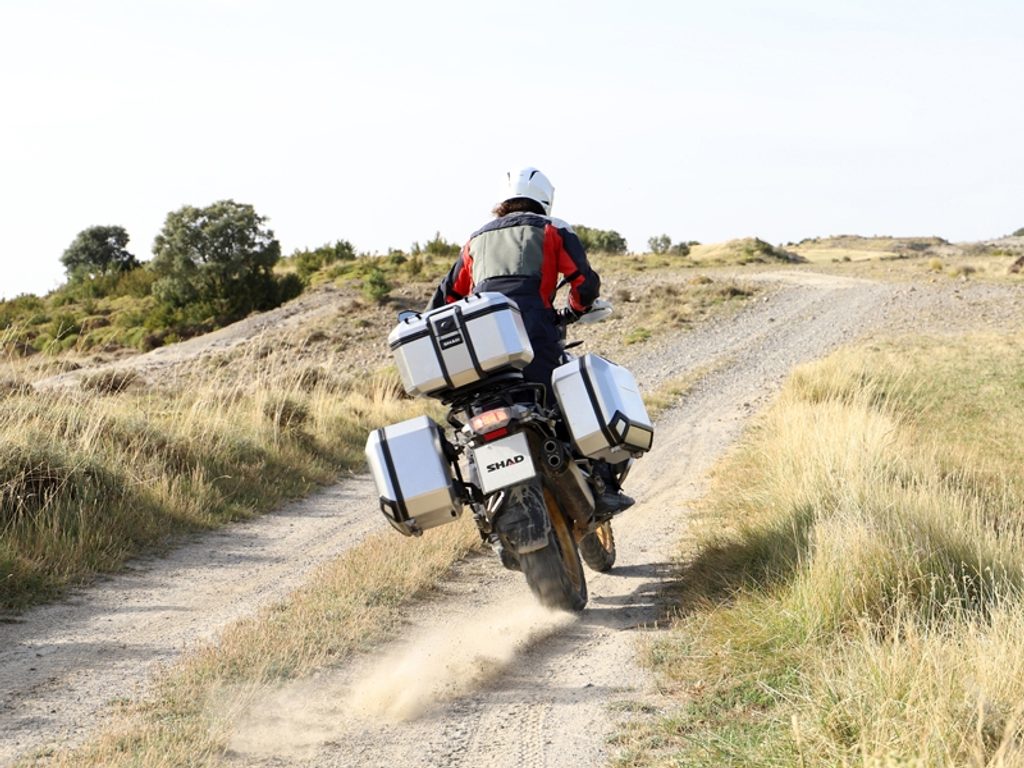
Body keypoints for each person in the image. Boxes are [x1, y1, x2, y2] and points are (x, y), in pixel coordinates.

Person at [426, 166, 633, 517]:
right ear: (545, 200)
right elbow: (584, 283)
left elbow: (445, 300)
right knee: (564, 404)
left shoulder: (475, 240)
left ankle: (484, 508)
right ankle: (601, 485)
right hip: (534, 334)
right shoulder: (552, 228)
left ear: (502, 202)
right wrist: (573, 310)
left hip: (480, 350)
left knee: (479, 416)